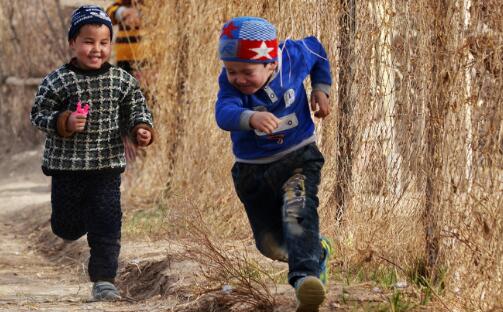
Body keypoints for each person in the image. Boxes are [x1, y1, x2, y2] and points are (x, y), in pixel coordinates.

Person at [30, 5, 154, 301]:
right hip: (67, 168)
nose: (96, 49)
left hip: (106, 166)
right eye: (88, 42)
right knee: (66, 228)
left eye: (103, 42)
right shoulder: (58, 80)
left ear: (110, 44)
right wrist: (64, 121)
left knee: (108, 225)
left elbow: (138, 106)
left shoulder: (121, 80)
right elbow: (38, 113)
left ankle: (104, 280)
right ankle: (81, 219)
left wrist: (140, 128)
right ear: (73, 43)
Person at [215, 16, 333, 312]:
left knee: (298, 212)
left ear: (270, 63)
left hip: (298, 157)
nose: (238, 79)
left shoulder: (293, 56)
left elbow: (318, 50)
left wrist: (321, 88)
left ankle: (305, 280)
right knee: (269, 244)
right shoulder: (229, 82)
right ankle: (316, 250)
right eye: (232, 71)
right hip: (252, 170)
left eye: (247, 71)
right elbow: (223, 112)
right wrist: (250, 117)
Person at [106, 0, 145, 162]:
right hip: (125, 56)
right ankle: (128, 157)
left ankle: (143, 154)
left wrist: (142, 15)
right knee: (123, 105)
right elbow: (109, 11)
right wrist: (121, 12)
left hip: (149, 57)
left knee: (146, 107)